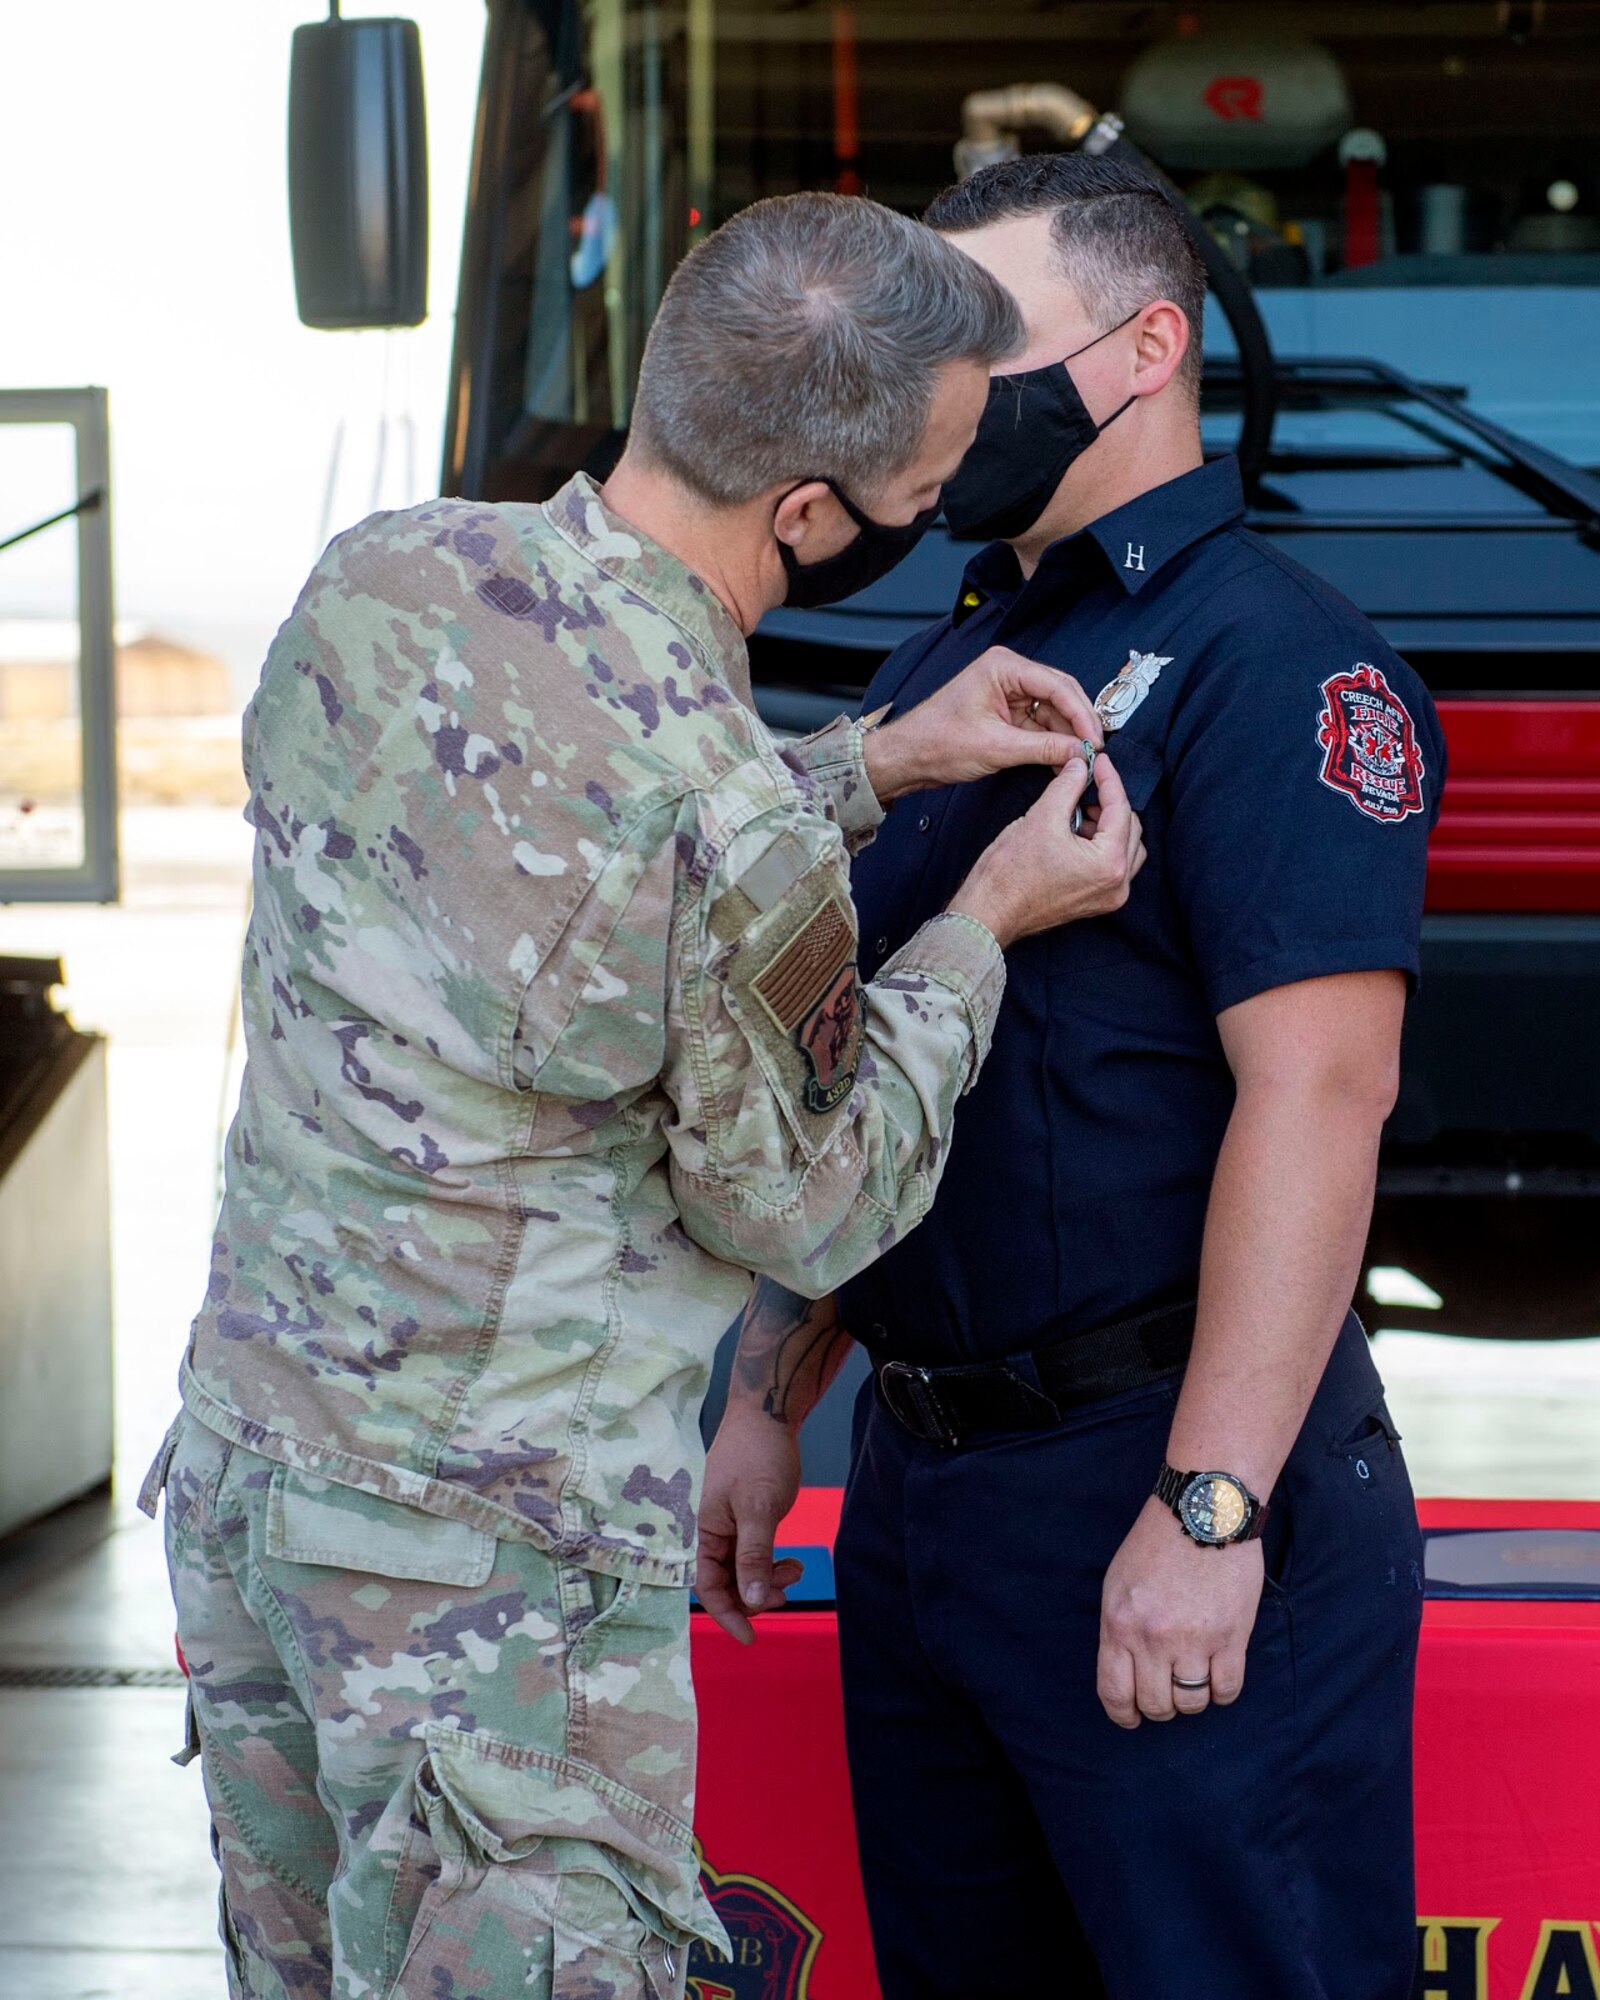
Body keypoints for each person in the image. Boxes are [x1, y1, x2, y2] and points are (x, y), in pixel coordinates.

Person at [137, 190, 1145, 2000]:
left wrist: (869, 762)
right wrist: (986, 921)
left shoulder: (385, 575)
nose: (929, 530)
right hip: (489, 1582)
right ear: (809, 520)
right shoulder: (728, 822)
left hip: (251, 1491)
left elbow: (546, 852)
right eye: (917, 505)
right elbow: (809, 1203)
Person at [700, 154, 1445, 2000]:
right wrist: (773, 1382)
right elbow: (873, 1050)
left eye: (989, 341)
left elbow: (1320, 1103)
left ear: (1144, 351)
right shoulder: (961, 651)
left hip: (1159, 1485)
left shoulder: (1281, 670)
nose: (949, 398)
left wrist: (1210, 1516)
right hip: (934, 1499)